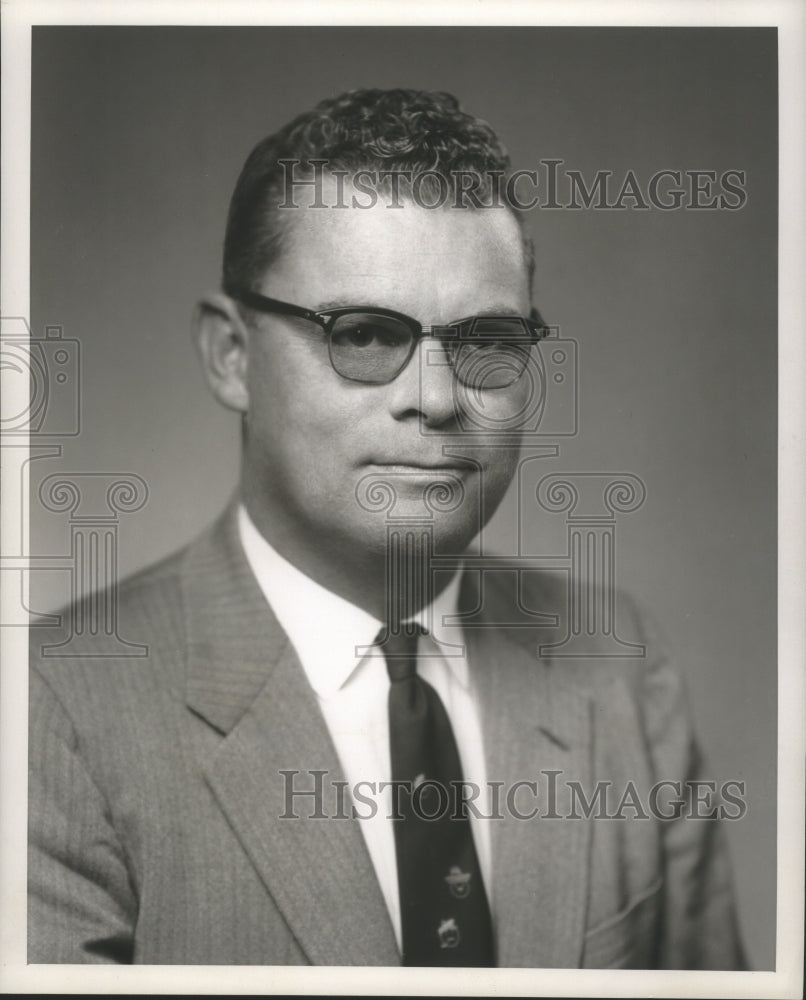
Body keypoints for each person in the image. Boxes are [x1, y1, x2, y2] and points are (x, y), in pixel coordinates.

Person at [28, 88, 746, 968]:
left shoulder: (621, 663)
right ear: (231, 356)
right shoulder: (46, 713)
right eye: (365, 336)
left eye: (488, 340)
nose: (438, 399)